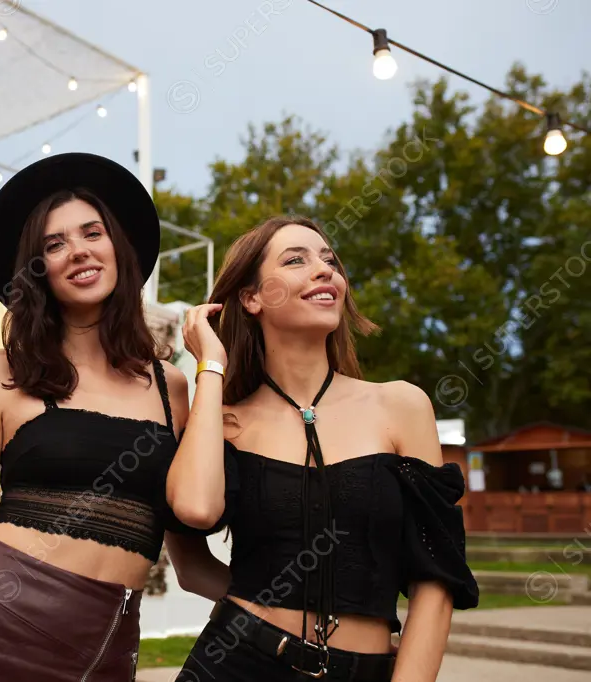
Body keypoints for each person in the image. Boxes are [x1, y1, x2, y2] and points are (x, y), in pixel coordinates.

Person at [0, 153, 194, 681]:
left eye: (91, 232)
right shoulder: (4, 374)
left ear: (117, 247)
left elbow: (190, 547)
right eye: (54, 245)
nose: (77, 251)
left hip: (105, 653)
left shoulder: (172, 388)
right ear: (40, 272)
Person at [165, 216, 479, 681]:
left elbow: (435, 579)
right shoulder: (222, 422)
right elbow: (192, 533)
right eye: (296, 260)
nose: (324, 270)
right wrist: (210, 365)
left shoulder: (401, 405)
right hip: (236, 662)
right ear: (252, 298)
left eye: (330, 261)